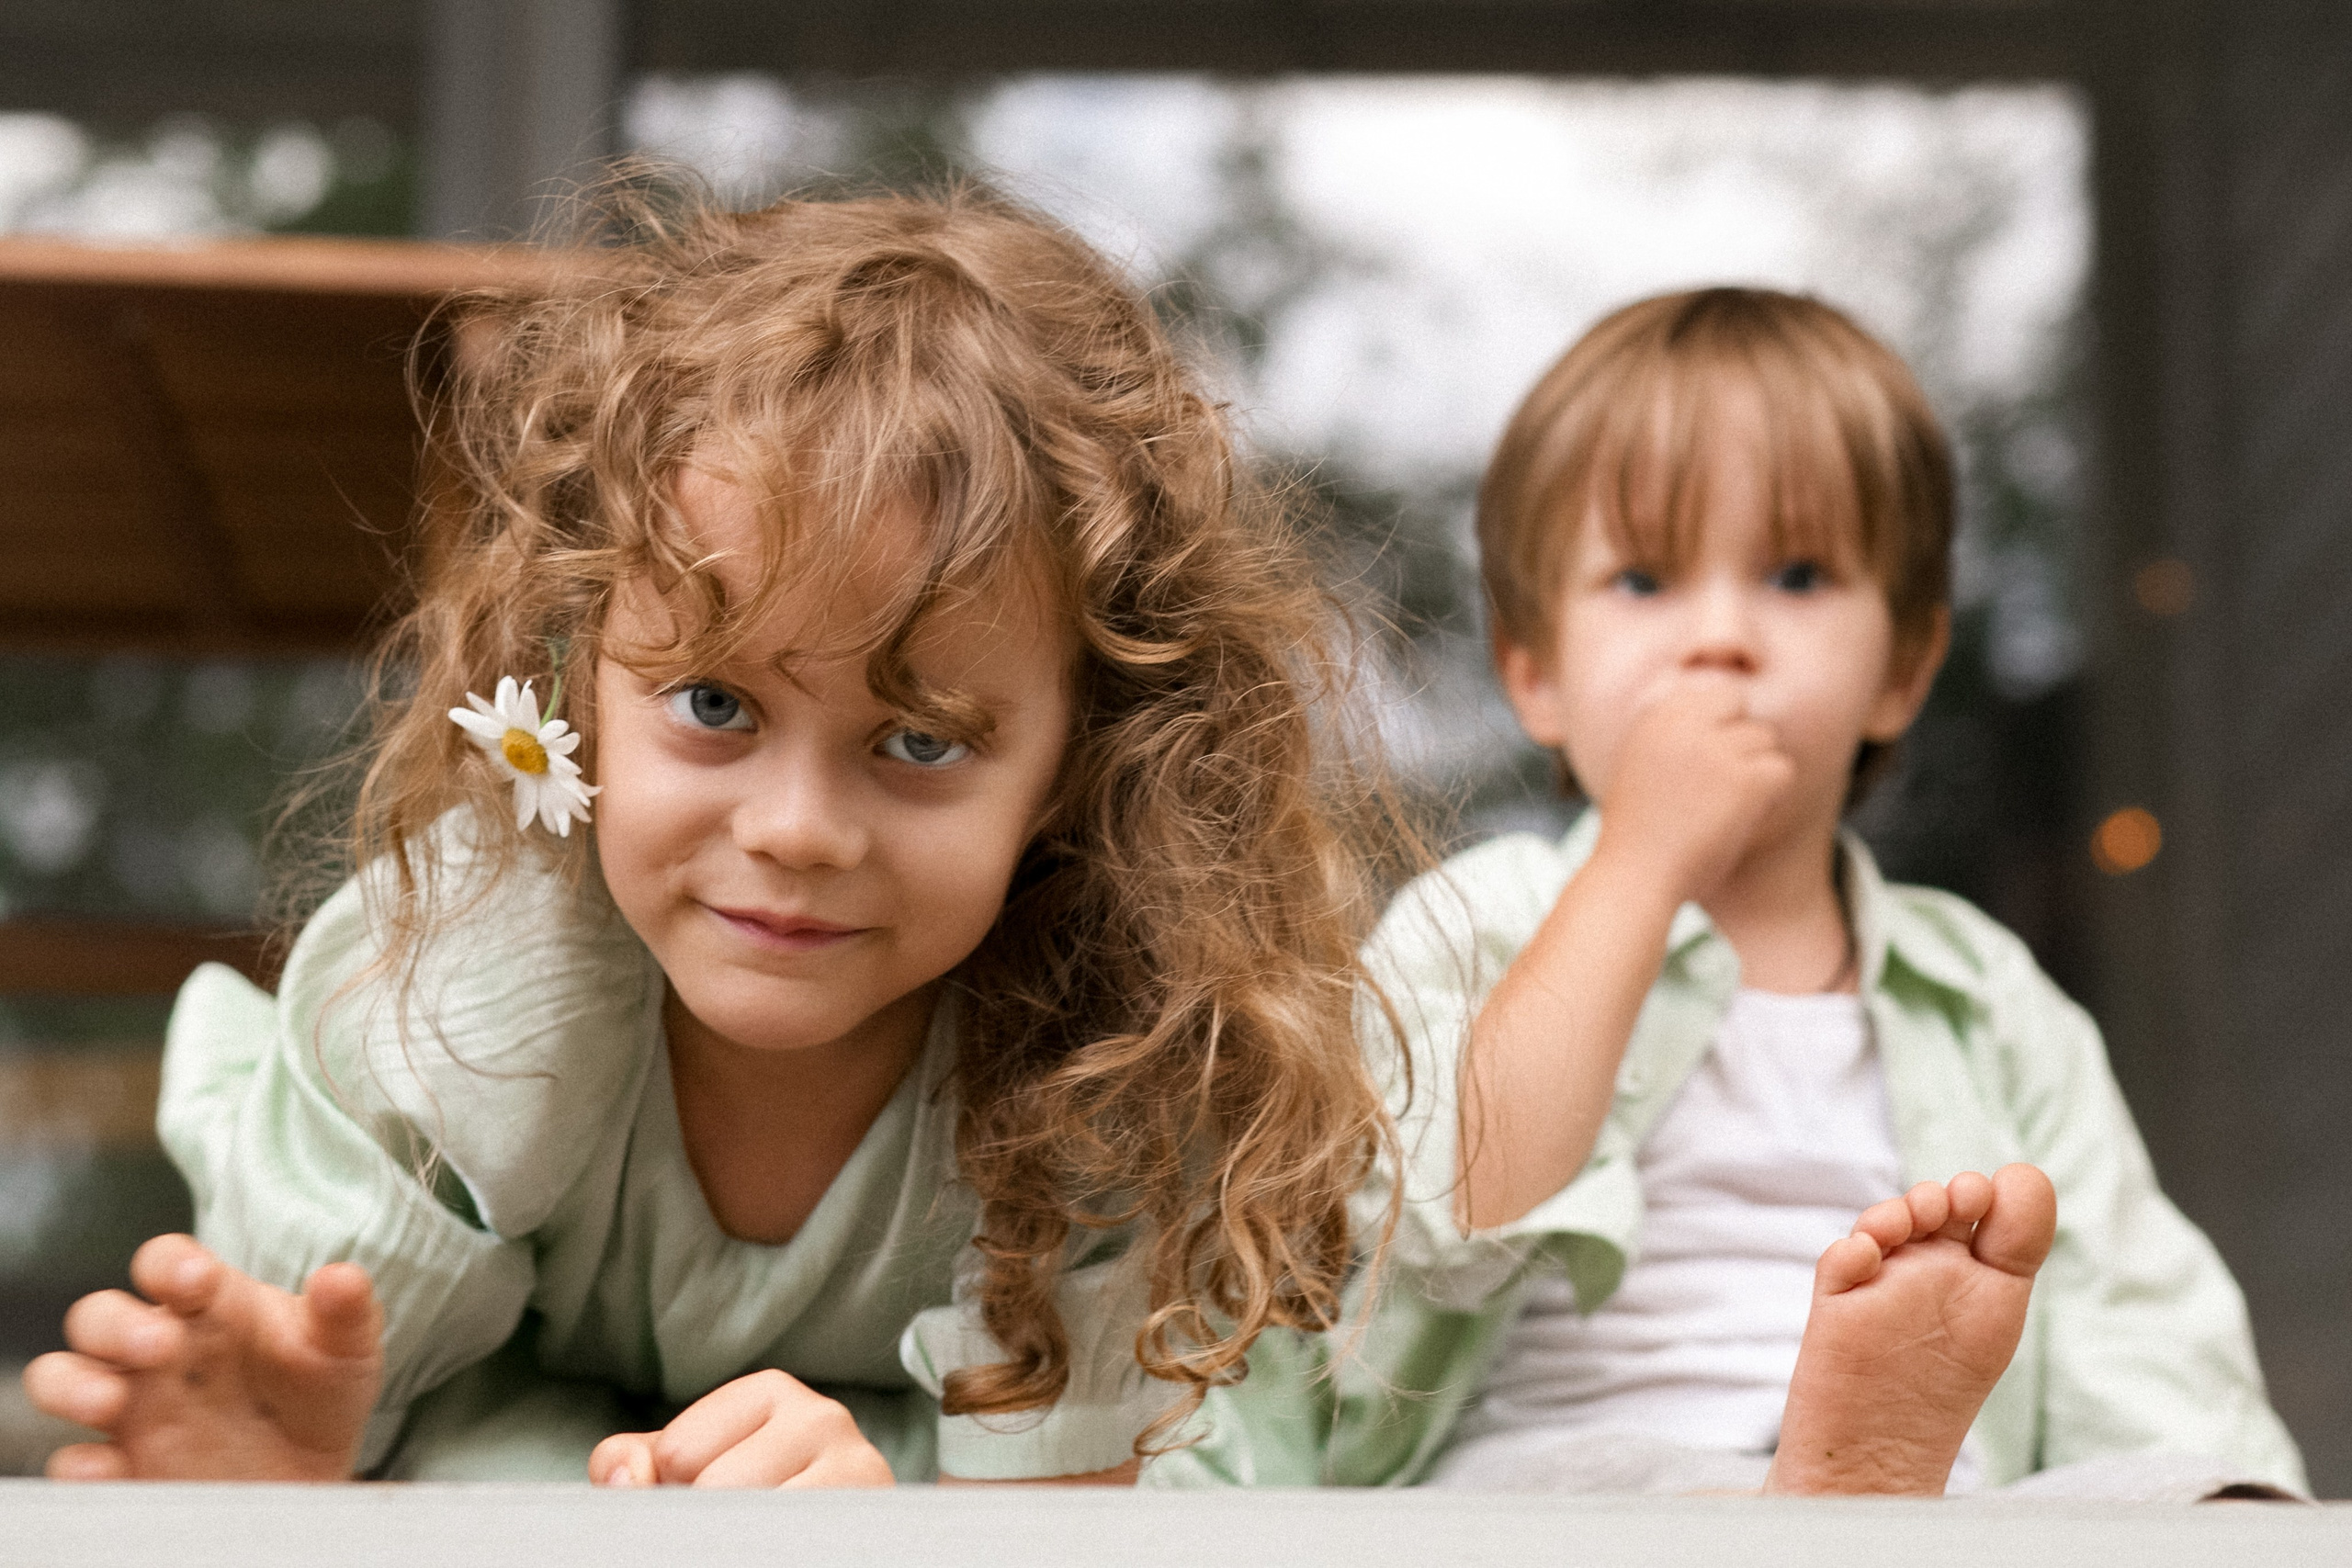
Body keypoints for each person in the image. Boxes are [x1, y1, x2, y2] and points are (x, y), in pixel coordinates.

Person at [21, 185, 1403, 1488]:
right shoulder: (471, 996)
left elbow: (1070, 1510)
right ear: (576, 689)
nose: (798, 831)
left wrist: (887, 1521)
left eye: (920, 741)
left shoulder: (1116, 1049)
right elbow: (309, 1417)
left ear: (1070, 770)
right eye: (715, 703)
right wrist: (301, 1463)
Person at [1158, 287, 2304, 1499]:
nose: (1721, 638)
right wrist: (1640, 865)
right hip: (1572, 1474)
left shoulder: (1984, 994)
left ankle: (1849, 1497)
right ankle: (1815, 1503)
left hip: (1945, 1501)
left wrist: (2209, 1489)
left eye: (1798, 576)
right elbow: (1452, 1212)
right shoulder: (1482, 917)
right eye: (1645, 582)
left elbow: (2125, 1304)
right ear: (1536, 675)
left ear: (1901, 673)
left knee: (2182, 1497)